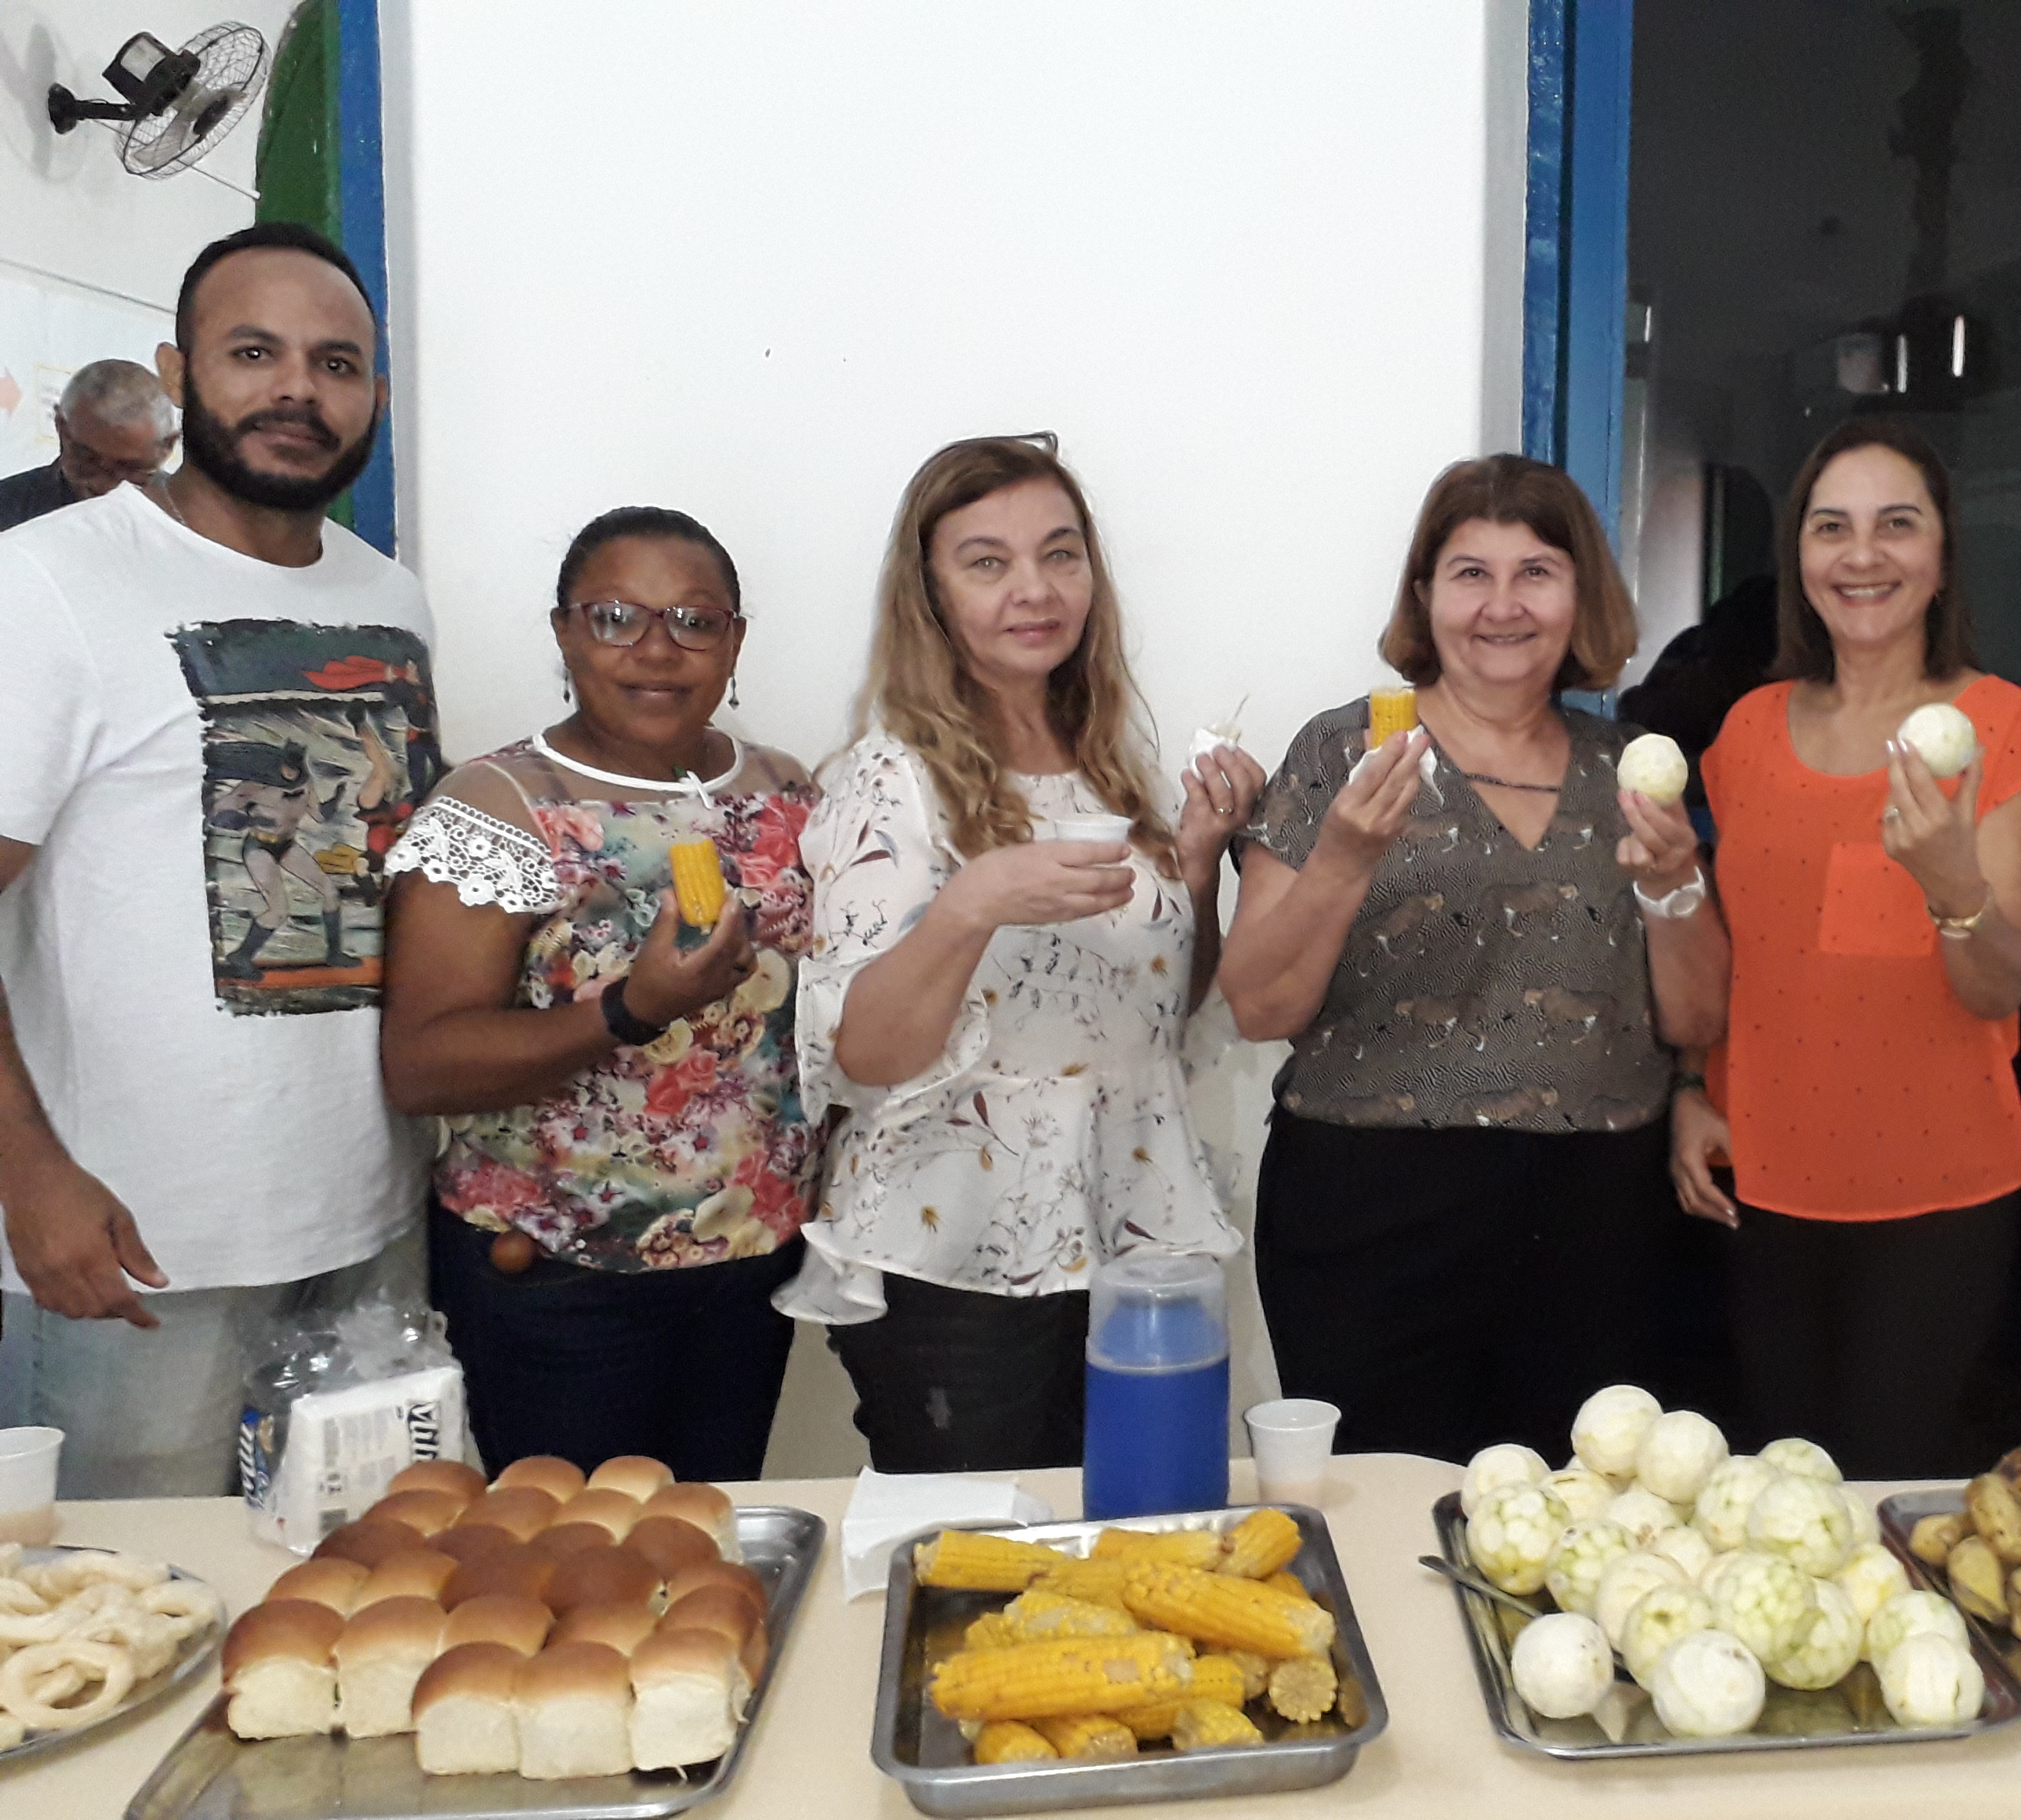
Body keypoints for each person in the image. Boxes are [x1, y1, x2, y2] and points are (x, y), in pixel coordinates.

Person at [0, 223, 440, 1495]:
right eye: (254, 352)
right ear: (177, 371)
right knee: (121, 1629)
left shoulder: (391, 597)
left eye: (337, 363)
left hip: (366, 1225)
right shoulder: (50, 585)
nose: (298, 390)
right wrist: (30, 1174)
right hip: (131, 1251)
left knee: (342, 1605)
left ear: (376, 397)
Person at [1225, 455, 1723, 1463]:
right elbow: (1257, 1004)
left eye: (1536, 571)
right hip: (1373, 1211)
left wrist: (1675, 884)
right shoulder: (1347, 751)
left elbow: (1697, 1019)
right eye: (1470, 574)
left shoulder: (1629, 765)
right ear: (1424, 596)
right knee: (1388, 1513)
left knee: (1573, 1517)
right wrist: (1344, 860)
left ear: (1581, 594)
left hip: (1598, 1215)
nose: (1504, 606)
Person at [786, 434, 1260, 1472]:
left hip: (1129, 1231)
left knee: (1128, 1536)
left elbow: (1156, 1018)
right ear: (932, 592)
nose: (1034, 589)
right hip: (955, 1253)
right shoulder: (890, 782)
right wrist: (970, 904)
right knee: (977, 1570)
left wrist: (1199, 862)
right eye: (987, 562)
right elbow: (863, 1054)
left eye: (1060, 553)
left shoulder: (1112, 772)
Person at [378, 507, 818, 1479]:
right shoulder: (500, 805)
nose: (657, 651)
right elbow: (422, 1065)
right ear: (565, 630)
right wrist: (629, 1011)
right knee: (568, 1574)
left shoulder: (784, 790)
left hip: (748, 1268)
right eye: (617, 617)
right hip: (556, 1281)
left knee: (712, 1551)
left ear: (735, 639)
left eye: (694, 621)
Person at [1675, 416, 2021, 1478]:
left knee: (1892, 1497)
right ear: (1799, 559)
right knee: (1775, 1492)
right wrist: (1686, 1084)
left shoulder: (2001, 729)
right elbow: (1731, 957)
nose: (1862, 556)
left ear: (1941, 556)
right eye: (1832, 528)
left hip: (1935, 1202)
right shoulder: (1747, 733)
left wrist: (1952, 884)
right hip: (1760, 1188)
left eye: (1897, 525)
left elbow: (2003, 982)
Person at [0, 359, 178, 532]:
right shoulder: (7, 511)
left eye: (127, 468)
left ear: (167, 447)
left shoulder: (191, 523)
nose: (104, 487)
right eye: (87, 461)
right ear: (61, 427)